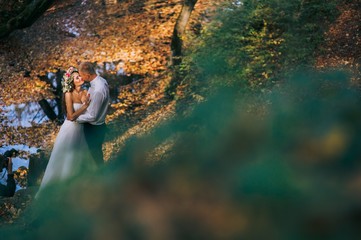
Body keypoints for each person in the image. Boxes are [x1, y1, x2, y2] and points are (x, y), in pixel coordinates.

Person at [36, 67, 95, 198]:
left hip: (82, 128)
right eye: (77, 77)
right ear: (72, 82)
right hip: (70, 129)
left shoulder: (85, 91)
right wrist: (84, 107)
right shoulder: (68, 94)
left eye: (79, 76)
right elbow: (70, 116)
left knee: (82, 156)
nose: (80, 78)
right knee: (68, 158)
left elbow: (90, 107)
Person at [76, 62, 110, 166]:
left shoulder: (98, 90)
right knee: (94, 156)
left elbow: (93, 116)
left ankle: (103, 178)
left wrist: (75, 118)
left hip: (94, 129)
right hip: (96, 126)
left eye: (81, 75)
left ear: (87, 75)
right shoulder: (100, 81)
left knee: (96, 158)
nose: (80, 78)